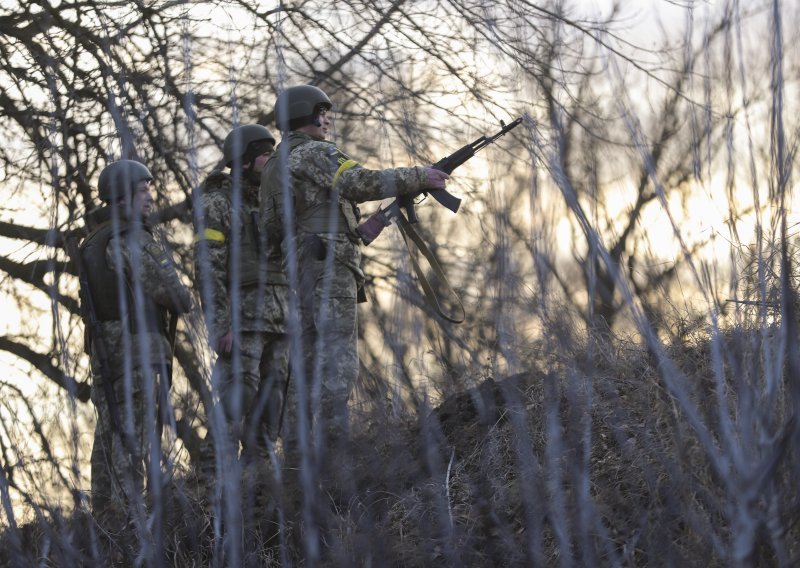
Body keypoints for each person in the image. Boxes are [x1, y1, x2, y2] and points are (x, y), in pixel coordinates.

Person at [259, 85, 449, 501]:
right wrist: (422, 175)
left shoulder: (276, 164)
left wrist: (357, 232)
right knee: (337, 365)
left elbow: (283, 229)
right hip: (329, 273)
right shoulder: (312, 152)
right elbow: (361, 182)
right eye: (323, 112)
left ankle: (296, 463)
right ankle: (333, 463)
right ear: (305, 115)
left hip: (305, 271)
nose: (328, 119)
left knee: (303, 369)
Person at [80, 159, 191, 555]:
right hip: (136, 350)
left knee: (107, 433)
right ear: (122, 197)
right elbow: (172, 293)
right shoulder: (131, 238)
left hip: (105, 353)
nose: (149, 196)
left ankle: (104, 519)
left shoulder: (93, 240)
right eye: (142, 190)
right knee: (135, 435)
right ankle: (130, 523)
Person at [193, 125, 289, 496]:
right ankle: (209, 472)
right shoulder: (217, 204)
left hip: (281, 319)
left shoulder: (275, 202)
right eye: (266, 156)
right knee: (240, 394)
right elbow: (208, 268)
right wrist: (219, 325)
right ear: (245, 162)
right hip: (242, 320)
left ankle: (259, 472)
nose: (273, 162)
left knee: (274, 397)